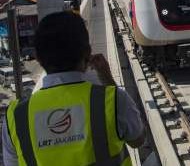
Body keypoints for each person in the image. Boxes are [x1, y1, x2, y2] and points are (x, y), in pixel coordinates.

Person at [2, 11, 145, 166]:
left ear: (38, 58)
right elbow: (137, 140)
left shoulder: (16, 116)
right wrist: (107, 79)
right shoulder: (113, 100)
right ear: (87, 53)